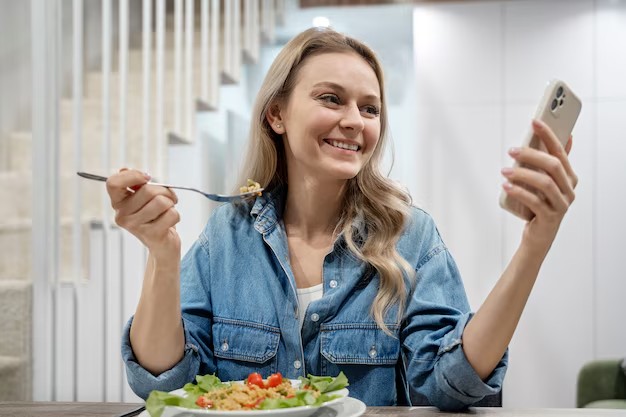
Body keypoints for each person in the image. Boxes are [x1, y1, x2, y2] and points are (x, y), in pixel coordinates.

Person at [107, 27, 578, 411]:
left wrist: (533, 247)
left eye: (369, 108)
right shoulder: (227, 235)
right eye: (331, 99)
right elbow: (163, 381)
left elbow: (449, 383)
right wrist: (162, 255)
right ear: (277, 114)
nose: (355, 120)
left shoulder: (411, 236)